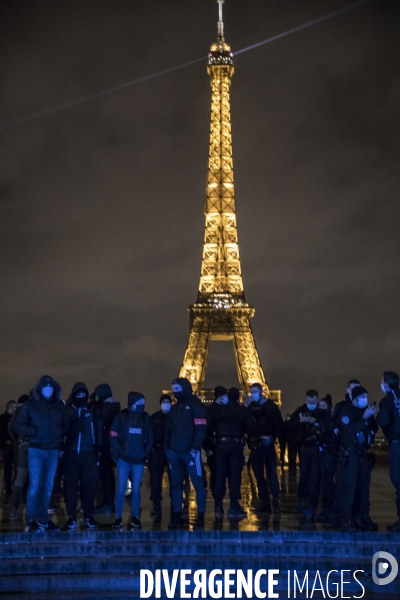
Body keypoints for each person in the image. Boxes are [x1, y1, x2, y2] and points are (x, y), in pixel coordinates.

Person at [14, 375, 67, 533]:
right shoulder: (30, 405)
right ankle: (31, 520)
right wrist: (34, 432)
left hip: (52, 449)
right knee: (35, 485)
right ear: (40, 389)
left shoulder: (59, 405)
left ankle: (43, 519)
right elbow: (18, 425)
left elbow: (66, 423)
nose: (49, 390)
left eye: (51, 387)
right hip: (36, 449)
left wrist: (59, 434)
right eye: (46, 387)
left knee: (48, 486)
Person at [165, 377, 207, 530]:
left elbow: (201, 429)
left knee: (197, 483)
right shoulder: (176, 408)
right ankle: (177, 516)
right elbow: (168, 429)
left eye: (177, 389)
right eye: (173, 389)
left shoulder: (195, 406)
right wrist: (168, 449)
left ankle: (200, 517)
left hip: (189, 451)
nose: (174, 392)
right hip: (175, 452)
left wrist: (195, 448)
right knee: (176, 484)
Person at [208, 386, 256, 519]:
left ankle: (218, 506)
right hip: (235, 445)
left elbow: (209, 425)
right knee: (235, 476)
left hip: (221, 445)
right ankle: (234, 505)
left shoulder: (218, 410)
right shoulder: (241, 411)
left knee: (219, 476)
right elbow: (251, 427)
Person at [336, 385, 378, 531]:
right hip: (350, 456)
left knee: (363, 489)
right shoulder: (346, 412)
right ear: (354, 399)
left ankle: (360, 517)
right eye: (362, 397)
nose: (364, 400)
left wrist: (369, 418)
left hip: (362, 456)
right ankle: (344, 518)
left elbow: (372, 429)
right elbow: (348, 432)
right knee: (348, 488)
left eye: (365, 397)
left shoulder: (365, 412)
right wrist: (364, 418)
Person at [110, 392, 154, 530]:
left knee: (134, 489)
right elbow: (113, 435)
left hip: (137, 459)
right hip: (125, 459)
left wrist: (144, 452)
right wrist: (120, 452)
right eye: (140, 402)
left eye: (143, 402)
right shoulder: (122, 417)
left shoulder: (145, 418)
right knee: (123, 488)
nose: (142, 405)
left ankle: (133, 517)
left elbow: (151, 437)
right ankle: (119, 517)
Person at [63, 382, 103, 530]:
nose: (81, 397)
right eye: (78, 394)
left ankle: (88, 514)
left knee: (90, 487)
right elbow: (62, 430)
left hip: (89, 454)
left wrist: (98, 449)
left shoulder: (93, 410)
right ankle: (72, 517)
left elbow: (99, 430)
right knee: (70, 487)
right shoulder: (67, 411)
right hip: (71, 454)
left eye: (83, 394)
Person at [247, 383, 284, 514]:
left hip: (267, 443)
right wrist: (244, 408)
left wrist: (272, 437)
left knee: (272, 474)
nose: (253, 394)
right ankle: (264, 499)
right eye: (251, 392)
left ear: (261, 391)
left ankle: (275, 499)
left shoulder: (271, 407)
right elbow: (243, 423)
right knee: (258, 474)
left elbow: (279, 425)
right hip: (256, 444)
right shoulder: (250, 407)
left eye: (255, 392)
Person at [288, 389, 321, 514]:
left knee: (315, 475)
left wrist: (316, 423)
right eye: (309, 402)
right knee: (305, 474)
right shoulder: (300, 411)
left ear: (317, 399)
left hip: (316, 446)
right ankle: (303, 498)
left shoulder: (320, 412)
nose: (311, 404)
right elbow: (290, 425)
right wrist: (300, 421)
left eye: (312, 402)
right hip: (305, 445)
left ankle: (312, 499)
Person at [376, 371, 400, 533]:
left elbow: (383, 421)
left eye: (382, 381)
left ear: (386, 384)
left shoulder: (387, 401)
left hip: (396, 444)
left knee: (397, 480)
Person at [92, 383, 121, 514]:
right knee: (109, 473)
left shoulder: (105, 408)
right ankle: (109, 502)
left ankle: (107, 502)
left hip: (104, 445)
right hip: (112, 445)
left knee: (105, 474)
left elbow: (100, 426)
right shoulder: (115, 407)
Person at [148, 394, 172, 516]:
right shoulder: (155, 417)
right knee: (156, 478)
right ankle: (156, 503)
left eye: (168, 401)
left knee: (173, 478)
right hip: (158, 450)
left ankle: (174, 501)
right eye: (164, 401)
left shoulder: (174, 416)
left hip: (170, 450)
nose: (166, 403)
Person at [203, 386, 228, 499]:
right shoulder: (211, 410)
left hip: (220, 446)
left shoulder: (210, 410)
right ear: (220, 397)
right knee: (216, 473)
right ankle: (217, 497)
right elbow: (205, 430)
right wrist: (208, 448)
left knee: (218, 473)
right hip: (214, 446)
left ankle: (218, 498)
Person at [8, 395, 30, 518]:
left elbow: (11, 428)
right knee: (36, 478)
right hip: (36, 446)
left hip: (23, 446)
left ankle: (14, 507)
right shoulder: (36, 408)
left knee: (20, 477)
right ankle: (36, 507)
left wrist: (17, 442)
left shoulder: (18, 412)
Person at [0, 400, 17, 497]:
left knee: (14, 468)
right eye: (15, 407)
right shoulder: (3, 418)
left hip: (12, 445)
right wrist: (6, 441)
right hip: (8, 447)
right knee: (8, 469)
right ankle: (8, 488)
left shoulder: (15, 418)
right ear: (10, 407)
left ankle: (12, 487)